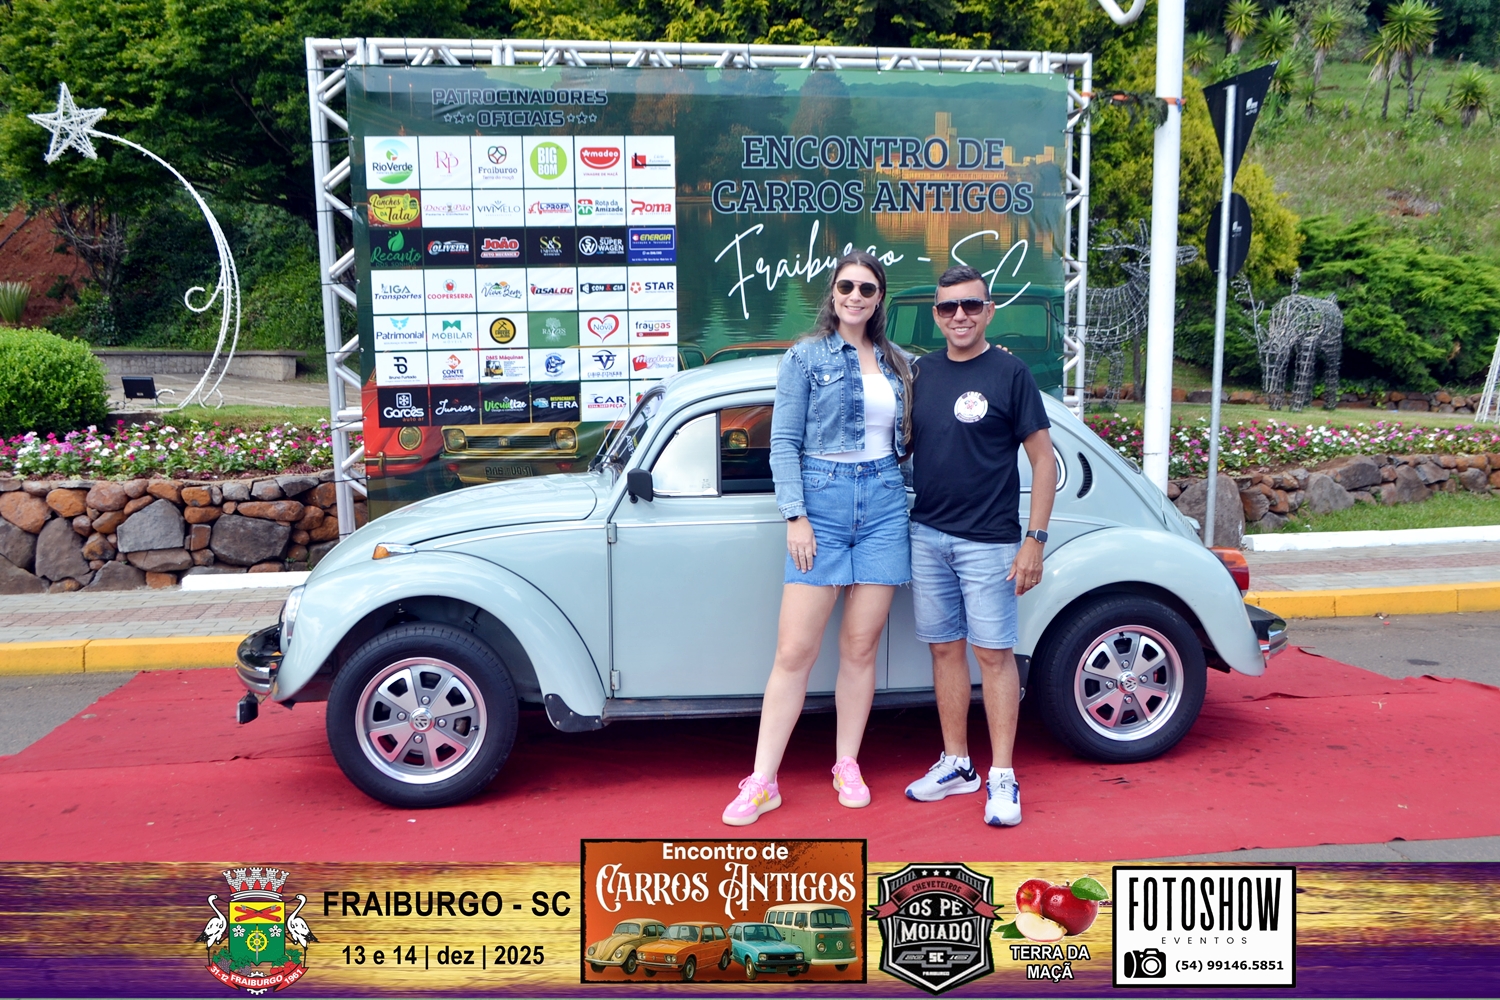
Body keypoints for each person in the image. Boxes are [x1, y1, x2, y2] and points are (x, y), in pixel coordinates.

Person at [722, 251, 915, 826]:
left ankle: (846, 763)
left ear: (879, 299)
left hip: (885, 506)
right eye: (846, 286)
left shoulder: (899, 362)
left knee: (860, 648)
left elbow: (912, 442)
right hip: (822, 506)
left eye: (867, 288)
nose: (855, 296)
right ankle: (762, 781)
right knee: (794, 652)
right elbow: (783, 442)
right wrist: (795, 516)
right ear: (832, 293)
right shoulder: (804, 357)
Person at [902, 264, 1056, 827]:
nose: (960, 316)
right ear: (936, 315)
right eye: (948, 307)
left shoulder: (1010, 373)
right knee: (944, 650)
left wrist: (1034, 540)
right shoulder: (920, 373)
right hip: (927, 536)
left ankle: (1003, 775)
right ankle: (957, 764)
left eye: (971, 305)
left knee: (993, 656)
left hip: (990, 542)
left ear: (989, 311)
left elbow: (1043, 461)